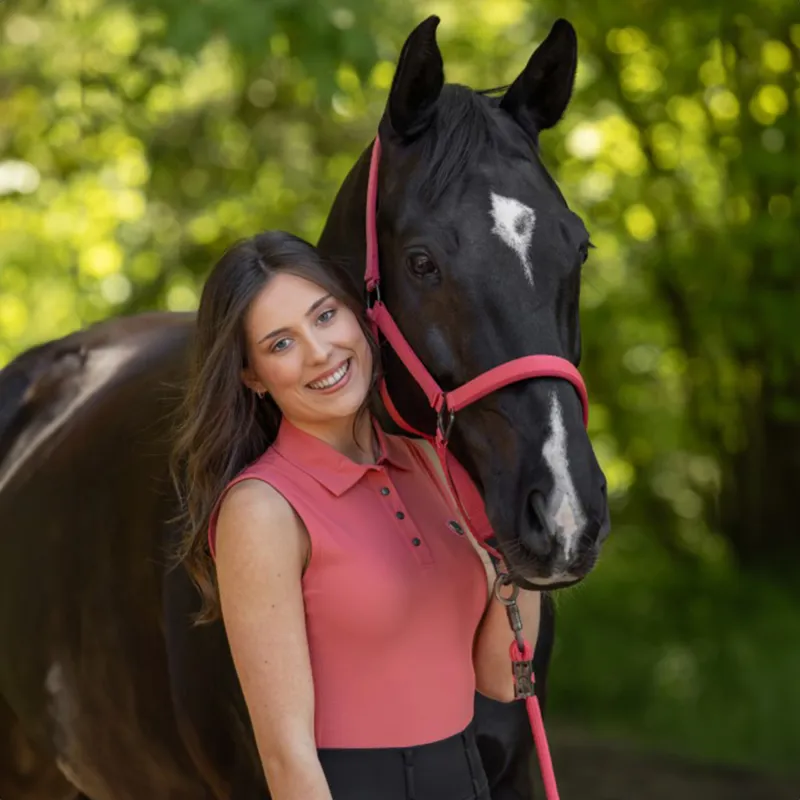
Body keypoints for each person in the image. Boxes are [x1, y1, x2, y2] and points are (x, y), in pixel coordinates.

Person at [172, 230, 541, 800]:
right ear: (252, 377)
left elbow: (501, 680)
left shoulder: (432, 463)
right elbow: (285, 753)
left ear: (359, 315)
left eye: (324, 316)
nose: (319, 352)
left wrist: (527, 551)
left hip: (468, 780)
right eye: (280, 344)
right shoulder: (263, 508)